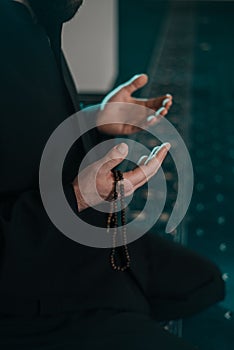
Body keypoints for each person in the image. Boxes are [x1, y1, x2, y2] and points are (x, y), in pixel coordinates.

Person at [0, 0, 225, 349]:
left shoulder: (33, 16)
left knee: (204, 282)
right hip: (32, 291)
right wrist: (76, 196)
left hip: (84, 238)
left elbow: (26, 134)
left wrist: (95, 119)